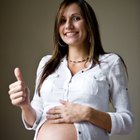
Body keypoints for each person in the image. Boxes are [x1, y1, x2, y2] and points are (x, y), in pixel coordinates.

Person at [8, 0, 134, 140]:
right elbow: (34, 120)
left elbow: (127, 122)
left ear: (89, 23)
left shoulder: (110, 63)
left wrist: (87, 113)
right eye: (62, 21)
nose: (68, 26)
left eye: (76, 18)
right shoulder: (46, 64)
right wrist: (25, 106)